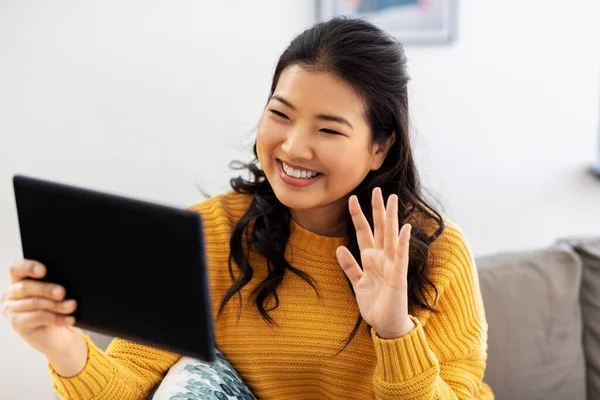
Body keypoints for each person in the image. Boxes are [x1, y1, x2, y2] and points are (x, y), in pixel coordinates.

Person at [1, 17, 494, 399]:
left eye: (328, 129)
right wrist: (64, 349)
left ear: (379, 148)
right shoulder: (209, 233)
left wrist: (393, 329)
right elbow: (137, 384)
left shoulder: (436, 251)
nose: (294, 148)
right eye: (280, 114)